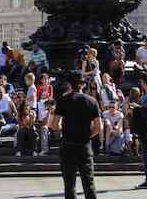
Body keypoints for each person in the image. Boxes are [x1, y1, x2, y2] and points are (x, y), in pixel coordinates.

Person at [48, 70, 101, 199]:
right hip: (84, 145)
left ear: (70, 85)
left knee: (69, 184)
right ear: (82, 85)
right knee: (89, 183)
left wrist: (62, 130)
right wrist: (88, 135)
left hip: (68, 145)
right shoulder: (92, 101)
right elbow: (99, 127)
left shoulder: (63, 100)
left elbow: (54, 125)